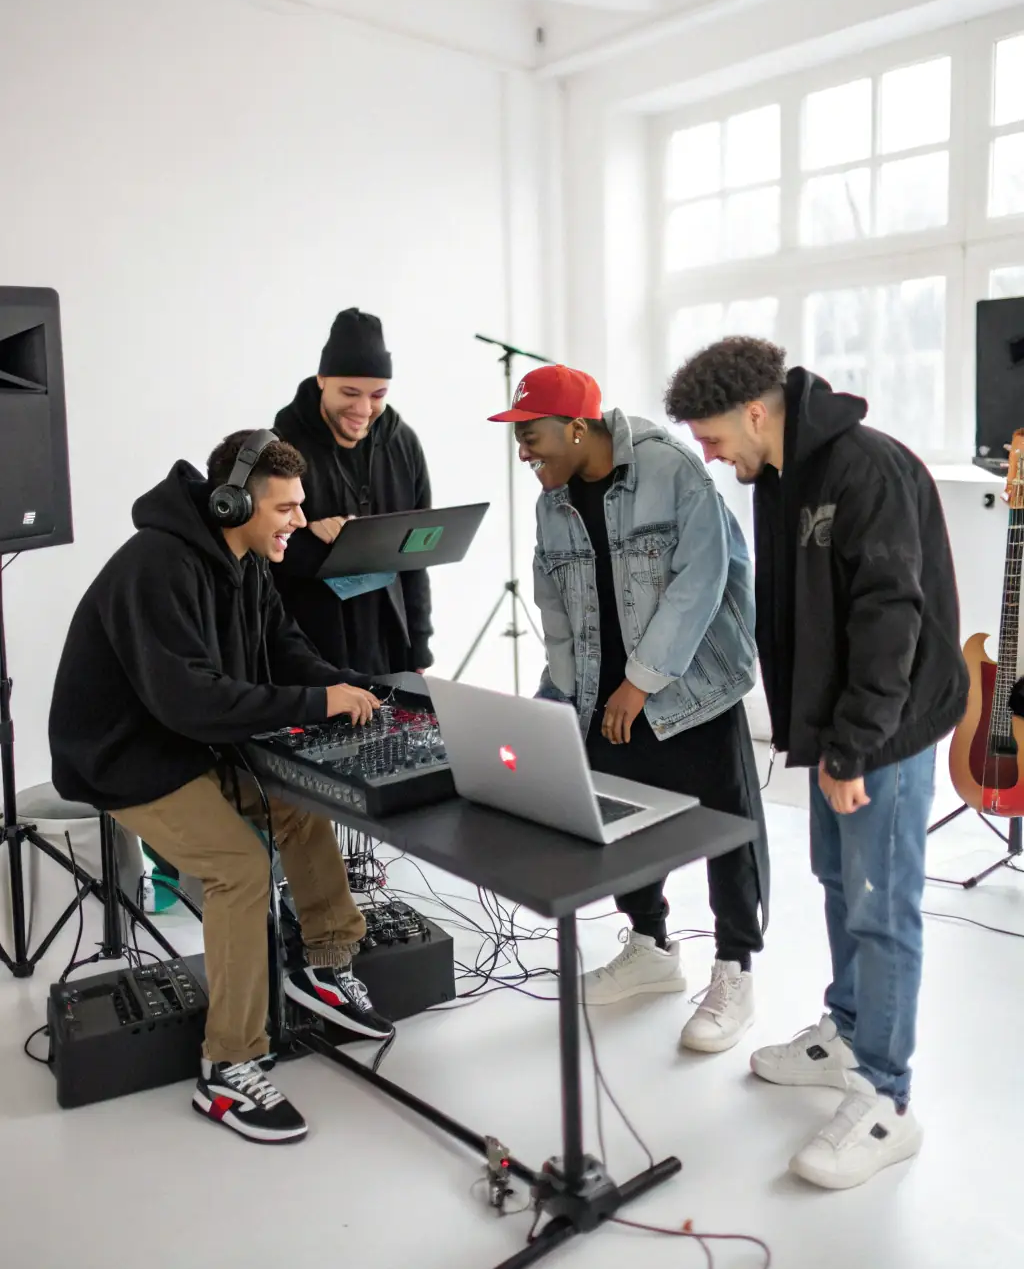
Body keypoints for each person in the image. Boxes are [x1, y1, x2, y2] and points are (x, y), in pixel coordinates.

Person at [666, 337, 968, 1189]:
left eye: (714, 437)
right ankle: (846, 1032)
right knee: (839, 881)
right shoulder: (781, 475)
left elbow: (890, 618)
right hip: (838, 726)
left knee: (880, 901)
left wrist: (852, 745)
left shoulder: (864, 469)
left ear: (755, 411)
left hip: (887, 729)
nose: (711, 455)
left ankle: (887, 1099)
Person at [48, 429, 393, 1145]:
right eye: (287, 507)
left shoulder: (244, 561)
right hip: (125, 758)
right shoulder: (157, 566)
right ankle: (227, 1065)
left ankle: (325, 965)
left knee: (298, 801)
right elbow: (192, 701)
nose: (299, 521)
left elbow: (282, 647)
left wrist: (341, 685)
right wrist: (312, 704)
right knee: (238, 867)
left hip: (184, 741)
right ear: (232, 499)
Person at [489, 365, 769, 1052]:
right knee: (621, 823)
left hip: (691, 688)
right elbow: (553, 605)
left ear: (577, 427)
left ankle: (735, 969)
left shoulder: (670, 469)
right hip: (604, 697)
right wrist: (566, 699)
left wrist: (642, 680)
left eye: (532, 438)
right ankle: (651, 946)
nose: (524, 453)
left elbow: (702, 580)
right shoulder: (549, 502)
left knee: (725, 828)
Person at [272, 307, 433, 676]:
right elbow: (260, 554)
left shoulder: (404, 444)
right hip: (310, 648)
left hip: (390, 643)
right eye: (349, 392)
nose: (363, 409)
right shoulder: (282, 445)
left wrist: (419, 651)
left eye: (377, 394)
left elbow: (418, 554)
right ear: (322, 379)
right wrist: (306, 534)